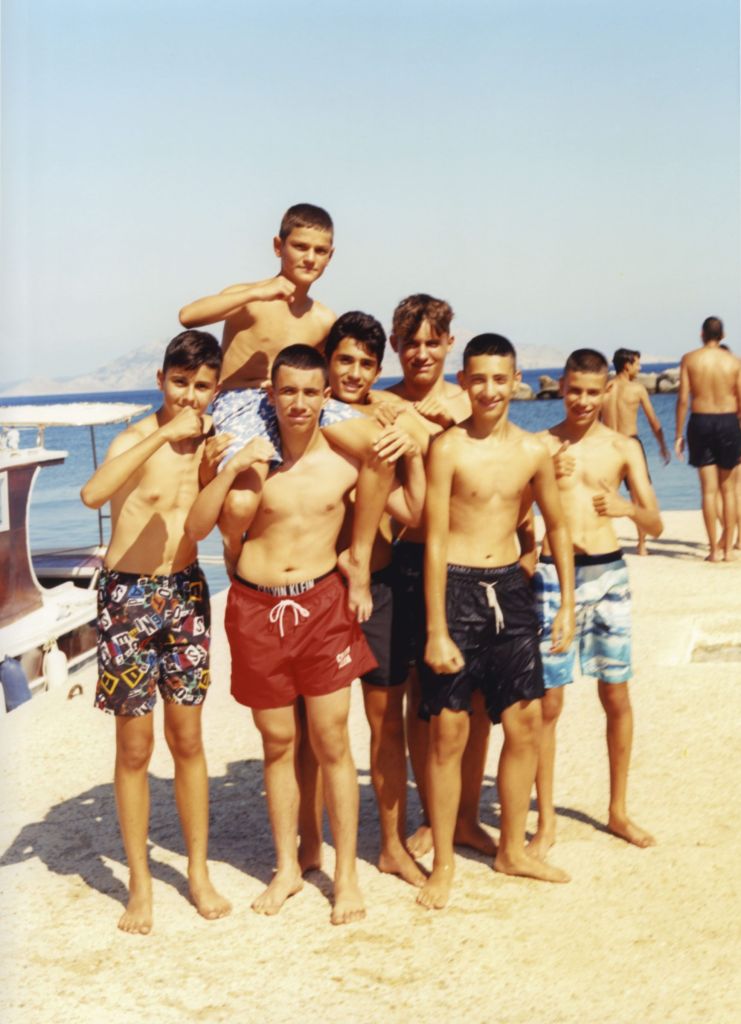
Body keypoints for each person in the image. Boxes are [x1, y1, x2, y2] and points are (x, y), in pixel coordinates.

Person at [185, 344, 377, 924]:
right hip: (255, 605)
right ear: (271, 393)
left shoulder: (345, 463)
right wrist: (226, 464)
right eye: (286, 391)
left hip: (321, 606)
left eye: (309, 391)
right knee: (277, 746)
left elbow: (397, 495)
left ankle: (344, 876)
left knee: (333, 741)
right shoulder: (251, 465)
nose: (298, 402)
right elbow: (201, 528)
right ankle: (289, 866)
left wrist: (361, 560)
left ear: (326, 396)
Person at [80, 330, 232, 935]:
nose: (190, 397)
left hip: (188, 591)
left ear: (214, 387)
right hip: (128, 599)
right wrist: (162, 437)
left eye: (202, 387)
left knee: (188, 739)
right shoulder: (137, 438)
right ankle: (139, 885)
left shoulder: (212, 444)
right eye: (180, 383)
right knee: (135, 748)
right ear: (161, 380)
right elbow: (93, 492)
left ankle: (196, 872)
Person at [418, 333, 575, 910]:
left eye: (499, 378)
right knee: (449, 732)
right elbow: (433, 538)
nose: (489, 389)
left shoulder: (535, 451)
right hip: (456, 586)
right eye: (478, 378)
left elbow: (556, 527)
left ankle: (513, 849)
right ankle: (442, 861)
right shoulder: (448, 449)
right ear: (464, 381)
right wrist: (436, 626)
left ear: (516, 381)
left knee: (525, 723)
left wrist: (566, 604)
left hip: (511, 589)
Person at [179, 203, 392, 617]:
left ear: (331, 257)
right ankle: (232, 549)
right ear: (279, 246)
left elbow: (339, 374)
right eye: (300, 246)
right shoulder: (249, 299)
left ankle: (358, 557)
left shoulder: (324, 318)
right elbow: (188, 316)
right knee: (241, 505)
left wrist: (376, 406)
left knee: (381, 449)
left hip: (297, 397)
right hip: (243, 403)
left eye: (320, 250)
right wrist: (257, 291)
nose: (309, 258)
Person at [530, 348, 663, 860]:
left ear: (607, 389)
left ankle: (618, 809)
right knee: (549, 703)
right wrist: (547, 474)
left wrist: (629, 508)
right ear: (561, 387)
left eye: (592, 391)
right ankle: (544, 822)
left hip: (609, 574)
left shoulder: (624, 447)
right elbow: (518, 512)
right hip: (553, 576)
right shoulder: (542, 444)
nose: (583, 400)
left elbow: (656, 523)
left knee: (616, 696)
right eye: (574, 390)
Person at [320, 311, 427, 887]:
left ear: (378, 367)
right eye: (345, 360)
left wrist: (410, 444)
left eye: (366, 363)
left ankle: (390, 845)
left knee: (386, 725)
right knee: (321, 728)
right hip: (319, 590)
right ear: (328, 360)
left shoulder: (385, 420)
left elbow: (416, 511)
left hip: (380, 586)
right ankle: (310, 851)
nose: (355, 372)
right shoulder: (309, 415)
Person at [674, 317, 741, 562]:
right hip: (728, 422)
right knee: (729, 490)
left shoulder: (689, 359)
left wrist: (679, 433)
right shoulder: (734, 362)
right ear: (723, 336)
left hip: (700, 421)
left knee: (708, 491)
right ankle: (728, 551)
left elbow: (683, 399)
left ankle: (713, 550)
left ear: (702, 333)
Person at [603, 348, 670, 555]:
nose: (639, 368)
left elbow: (594, 419)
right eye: (637, 364)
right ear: (627, 365)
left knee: (604, 492)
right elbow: (653, 420)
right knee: (638, 497)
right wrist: (662, 446)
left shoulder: (605, 387)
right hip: (630, 443)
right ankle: (641, 545)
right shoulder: (637, 389)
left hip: (607, 443)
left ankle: (602, 540)